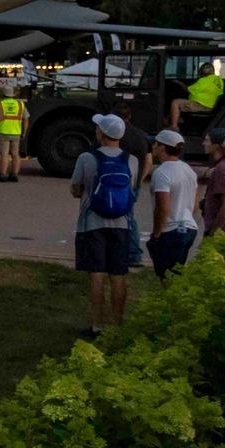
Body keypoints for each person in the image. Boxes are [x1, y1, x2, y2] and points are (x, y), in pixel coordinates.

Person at [70, 113, 139, 338]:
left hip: (92, 223)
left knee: (96, 275)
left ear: (101, 133)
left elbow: (76, 189)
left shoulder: (86, 158)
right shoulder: (132, 161)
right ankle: (117, 324)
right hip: (122, 224)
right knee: (118, 274)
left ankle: (96, 324)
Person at [146, 129, 200, 279]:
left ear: (163, 147)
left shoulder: (162, 172)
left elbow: (162, 208)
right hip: (189, 228)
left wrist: (156, 235)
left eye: (156, 144)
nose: (153, 147)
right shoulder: (189, 170)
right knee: (176, 274)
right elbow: (195, 205)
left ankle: (171, 302)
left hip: (170, 231)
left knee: (166, 277)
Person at [169, 63, 225, 130]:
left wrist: (179, 83)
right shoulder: (219, 80)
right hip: (210, 105)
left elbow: (188, 89)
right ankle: (177, 120)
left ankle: (174, 127)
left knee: (175, 102)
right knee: (183, 103)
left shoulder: (203, 81)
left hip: (201, 106)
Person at [0, 87, 26, 181]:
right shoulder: (20, 104)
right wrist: (23, 132)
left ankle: (2, 174)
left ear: (3, 94)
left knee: (4, 154)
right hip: (16, 132)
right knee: (15, 154)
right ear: (13, 94)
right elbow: (26, 119)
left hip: (3, 132)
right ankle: (14, 175)